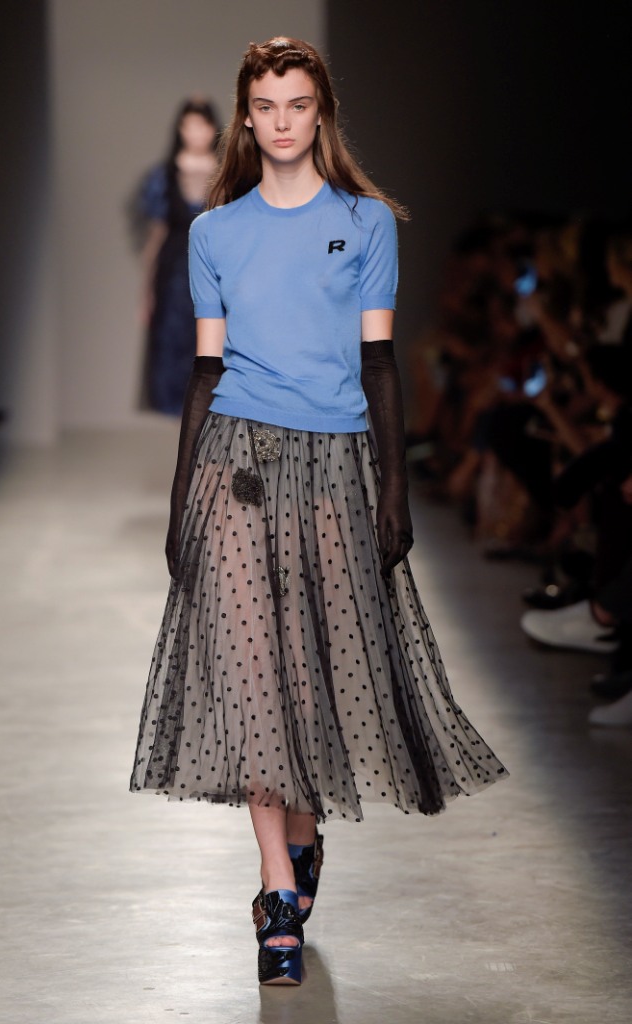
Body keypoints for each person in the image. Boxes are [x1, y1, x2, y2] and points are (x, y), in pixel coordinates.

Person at [129, 37, 508, 987]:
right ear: (246, 118)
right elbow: (206, 371)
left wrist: (394, 487)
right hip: (236, 462)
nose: (283, 121)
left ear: (321, 112)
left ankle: (301, 840)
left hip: (336, 461)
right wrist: (180, 499)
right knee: (253, 673)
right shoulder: (214, 233)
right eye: (266, 106)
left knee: (312, 674)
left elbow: (379, 364)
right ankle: (277, 897)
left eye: (298, 103)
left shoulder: (366, 221)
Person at [138, 98, 220, 415]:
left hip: (214, 271)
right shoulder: (164, 176)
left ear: (213, 128)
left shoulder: (227, 173)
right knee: (173, 351)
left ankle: (207, 432)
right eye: (190, 125)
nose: (197, 132)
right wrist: (146, 292)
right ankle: (186, 435)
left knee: (213, 350)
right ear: (180, 129)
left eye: (203, 124)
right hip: (173, 276)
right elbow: (156, 235)